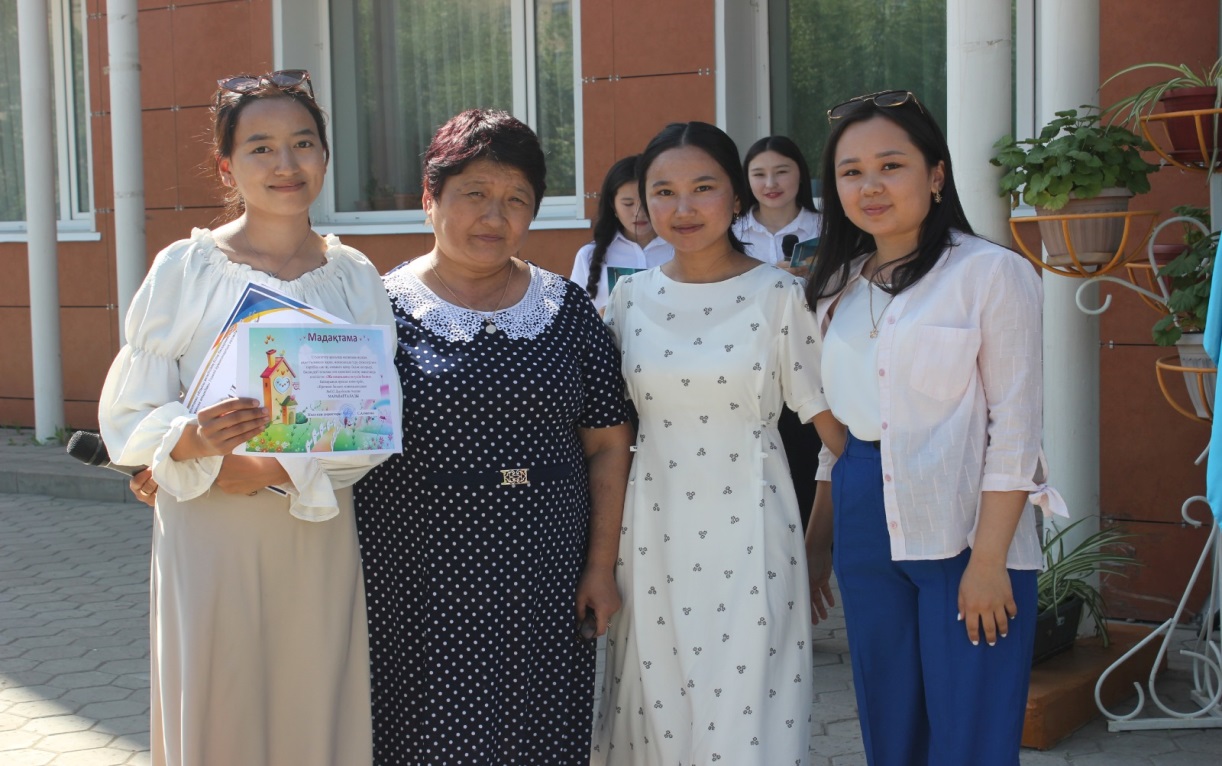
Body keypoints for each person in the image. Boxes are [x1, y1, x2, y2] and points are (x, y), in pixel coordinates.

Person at [100, 70, 396, 765]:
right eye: (261, 147)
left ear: (325, 156)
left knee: (310, 698)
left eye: (303, 143)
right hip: (210, 530)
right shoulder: (186, 268)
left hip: (313, 525)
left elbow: (375, 424)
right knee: (222, 702)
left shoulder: (354, 275)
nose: (285, 163)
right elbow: (131, 410)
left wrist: (268, 467)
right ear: (226, 165)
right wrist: (190, 441)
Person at [353, 108, 633, 764]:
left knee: (538, 737)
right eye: (474, 193)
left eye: (516, 199)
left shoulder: (565, 310)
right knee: (425, 740)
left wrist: (600, 567)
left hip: (545, 573)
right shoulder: (376, 311)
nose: (493, 216)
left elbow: (607, 445)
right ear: (430, 198)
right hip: (414, 576)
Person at [803, 90, 1064, 766]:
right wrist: (818, 544)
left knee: (971, 731)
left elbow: (1015, 431)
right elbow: (841, 435)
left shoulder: (991, 274)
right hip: (864, 511)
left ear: (936, 174)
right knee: (891, 724)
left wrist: (989, 561)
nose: (871, 186)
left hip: (964, 523)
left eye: (891, 165)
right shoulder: (833, 287)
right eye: (851, 172)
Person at [591, 121, 826, 765]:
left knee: (748, 717)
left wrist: (822, 541)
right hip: (652, 534)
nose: (683, 208)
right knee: (656, 712)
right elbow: (602, 435)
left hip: (754, 532)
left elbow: (833, 434)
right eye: (663, 192)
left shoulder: (780, 295)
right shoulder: (628, 299)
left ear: (737, 196)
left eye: (703, 187)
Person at [570, 155, 674, 313]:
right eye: (628, 204)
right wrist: (599, 319)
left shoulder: (681, 249)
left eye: (646, 202)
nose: (638, 213)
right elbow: (574, 315)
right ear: (613, 205)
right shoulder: (588, 255)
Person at [736, 135, 821, 272]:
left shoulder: (825, 229)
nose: (770, 184)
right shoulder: (732, 233)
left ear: (801, 173)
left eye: (781, 172)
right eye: (759, 174)